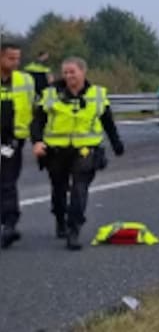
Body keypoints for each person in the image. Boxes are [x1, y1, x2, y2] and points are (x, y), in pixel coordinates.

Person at [31, 57, 125, 251]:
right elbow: (37, 121)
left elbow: (108, 121)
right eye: (65, 72)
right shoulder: (50, 94)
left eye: (72, 72)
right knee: (59, 188)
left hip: (85, 150)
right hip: (56, 151)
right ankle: (60, 219)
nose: (68, 76)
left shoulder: (97, 94)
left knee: (79, 189)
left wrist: (116, 144)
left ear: (83, 72)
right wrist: (37, 142)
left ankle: (74, 230)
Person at [1, 43, 41, 248]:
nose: (16, 62)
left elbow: (34, 111)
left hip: (11, 141)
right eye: (11, 58)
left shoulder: (25, 80)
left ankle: (9, 224)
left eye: (18, 58)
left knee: (8, 181)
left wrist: (36, 140)